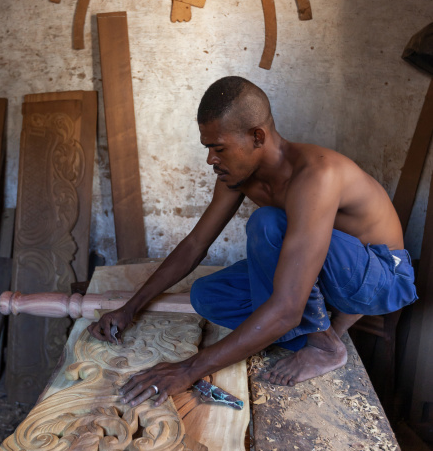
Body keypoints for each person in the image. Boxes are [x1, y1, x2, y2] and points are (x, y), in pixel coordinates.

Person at [89, 76, 417, 408]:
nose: (210, 160)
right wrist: (130, 308)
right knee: (208, 295)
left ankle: (324, 346)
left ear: (256, 136)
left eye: (218, 147)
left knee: (269, 224)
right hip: (327, 277)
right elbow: (194, 246)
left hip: (380, 277)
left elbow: (288, 308)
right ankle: (315, 329)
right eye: (208, 149)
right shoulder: (237, 178)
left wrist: (189, 369)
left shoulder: (316, 174)